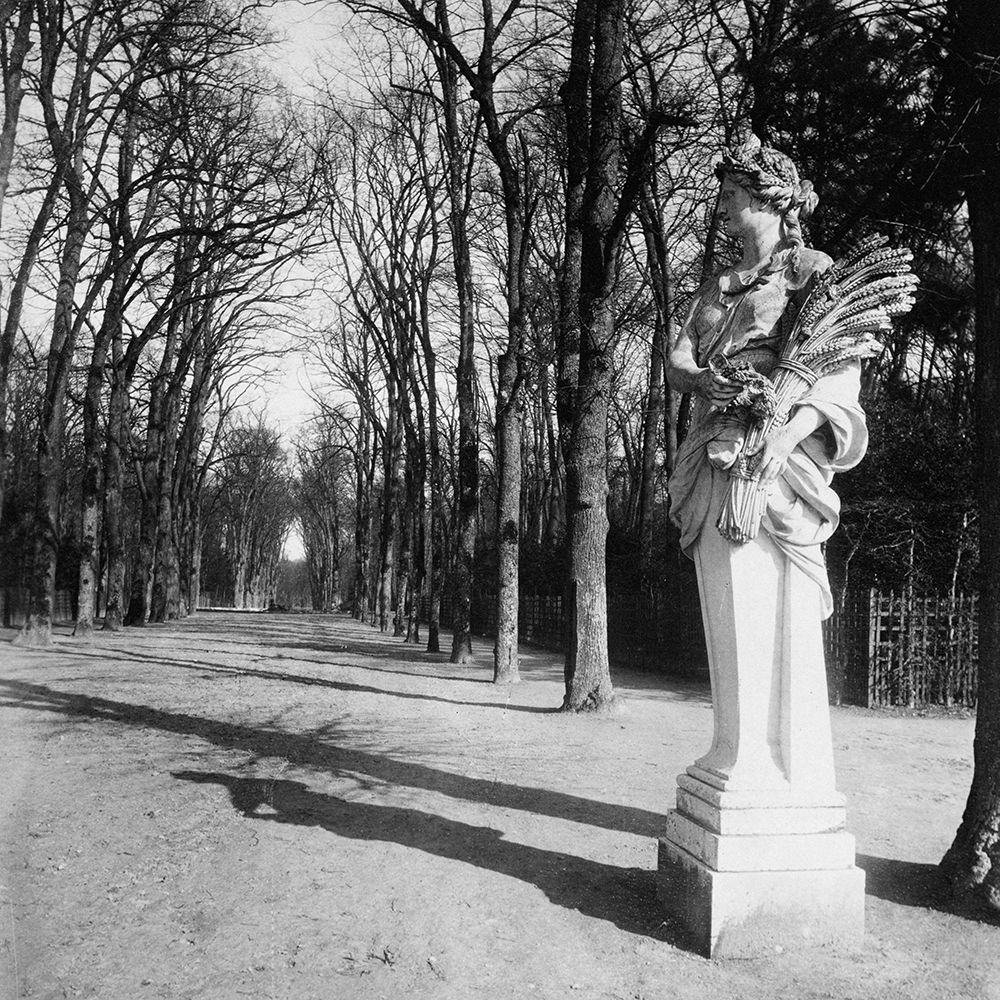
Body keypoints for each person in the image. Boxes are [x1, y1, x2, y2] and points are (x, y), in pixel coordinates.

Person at [665, 133, 867, 796]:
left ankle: (765, 762)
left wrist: (786, 433)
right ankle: (734, 750)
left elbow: (837, 369)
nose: (721, 207)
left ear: (770, 199)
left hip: (773, 461)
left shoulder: (810, 268)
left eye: (732, 194)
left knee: (766, 611)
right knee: (724, 611)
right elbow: (676, 358)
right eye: (721, 195)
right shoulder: (718, 285)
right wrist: (700, 384)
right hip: (715, 450)